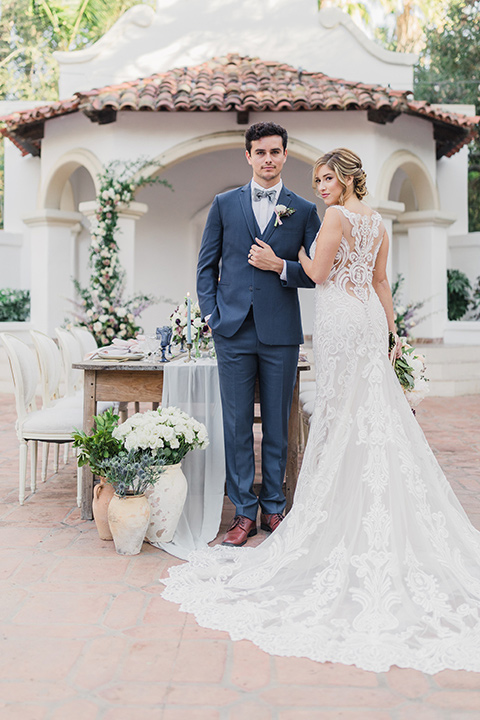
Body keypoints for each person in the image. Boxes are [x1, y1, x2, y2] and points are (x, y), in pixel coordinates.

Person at [162, 148, 480, 674]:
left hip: (339, 322)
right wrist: (393, 330)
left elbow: (317, 269)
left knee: (337, 417)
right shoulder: (377, 222)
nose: (321, 187)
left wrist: (276, 262)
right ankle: (302, 507)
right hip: (368, 321)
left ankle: (315, 512)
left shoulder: (331, 216)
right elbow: (380, 282)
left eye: (328, 178)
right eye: (317, 179)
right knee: (368, 418)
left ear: (347, 179)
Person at [196, 121, 320, 547]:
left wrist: (280, 266)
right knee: (235, 425)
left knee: (277, 425)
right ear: (248, 156)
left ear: (286, 155)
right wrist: (212, 316)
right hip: (231, 330)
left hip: (281, 333)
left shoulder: (302, 210)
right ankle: (243, 512)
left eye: (275, 151)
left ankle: (274, 507)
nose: (268, 159)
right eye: (260, 152)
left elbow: (320, 271)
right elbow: (206, 266)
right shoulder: (224, 204)